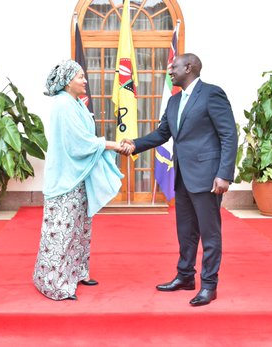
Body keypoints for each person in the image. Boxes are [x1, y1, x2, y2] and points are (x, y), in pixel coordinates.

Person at [123, 53, 238, 306]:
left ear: (189, 67)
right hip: (183, 176)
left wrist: (224, 174)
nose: (170, 70)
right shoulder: (174, 101)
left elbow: (229, 134)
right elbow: (163, 134)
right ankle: (185, 276)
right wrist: (135, 144)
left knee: (210, 233)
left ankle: (209, 285)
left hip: (208, 177)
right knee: (186, 231)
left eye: (173, 66)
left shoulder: (211, 94)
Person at [33, 60, 132, 301]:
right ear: (68, 82)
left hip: (78, 177)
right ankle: (53, 283)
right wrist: (113, 145)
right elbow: (80, 143)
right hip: (65, 179)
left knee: (79, 230)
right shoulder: (63, 105)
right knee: (61, 232)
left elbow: (85, 137)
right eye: (80, 76)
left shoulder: (74, 103)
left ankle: (76, 272)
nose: (85, 80)